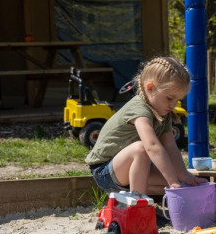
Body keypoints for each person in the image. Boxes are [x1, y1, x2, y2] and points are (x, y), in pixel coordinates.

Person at [86, 56, 206, 195]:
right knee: (142, 149)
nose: (173, 105)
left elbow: (171, 148)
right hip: (105, 172)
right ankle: (137, 205)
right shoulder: (139, 109)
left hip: (128, 172)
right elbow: (152, 146)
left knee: (182, 184)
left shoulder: (163, 111)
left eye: (177, 100)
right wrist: (172, 181)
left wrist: (184, 176)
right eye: (169, 98)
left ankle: (131, 195)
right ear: (150, 88)